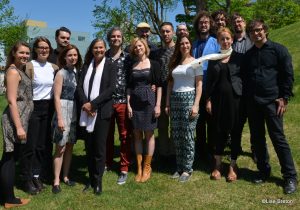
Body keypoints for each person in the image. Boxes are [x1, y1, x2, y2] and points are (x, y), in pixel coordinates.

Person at [243, 19, 297, 194]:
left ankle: (290, 177)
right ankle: (263, 171)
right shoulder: (248, 55)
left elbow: (288, 75)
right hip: (254, 103)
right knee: (258, 139)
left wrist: (284, 97)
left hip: (273, 102)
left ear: (265, 30)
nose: (256, 34)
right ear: (249, 35)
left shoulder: (279, 50)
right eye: (252, 32)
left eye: (259, 30)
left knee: (278, 139)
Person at [77, 38, 116, 195]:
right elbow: (79, 87)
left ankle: (98, 181)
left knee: (99, 149)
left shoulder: (110, 65)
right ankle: (90, 180)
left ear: (105, 49)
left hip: (102, 112)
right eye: (95, 48)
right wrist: (86, 104)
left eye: (101, 48)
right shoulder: (86, 66)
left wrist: (93, 104)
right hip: (86, 111)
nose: (98, 50)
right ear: (91, 49)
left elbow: (111, 89)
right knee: (89, 148)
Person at [20, 37, 58, 194]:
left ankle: (37, 175)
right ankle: (26, 178)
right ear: (35, 49)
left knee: (43, 146)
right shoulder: (29, 66)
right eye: (41, 47)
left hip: (48, 109)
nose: (44, 50)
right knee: (31, 146)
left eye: (47, 48)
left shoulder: (53, 67)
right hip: (33, 108)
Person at [205, 27, 243, 182]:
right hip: (218, 101)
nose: (225, 41)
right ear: (218, 41)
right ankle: (218, 164)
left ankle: (233, 165)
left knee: (235, 132)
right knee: (218, 132)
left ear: (232, 39)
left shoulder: (240, 57)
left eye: (228, 38)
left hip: (236, 101)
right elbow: (209, 82)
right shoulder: (213, 58)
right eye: (222, 39)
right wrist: (207, 100)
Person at [166, 35, 202, 182]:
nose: (184, 45)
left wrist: (196, 104)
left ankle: (187, 169)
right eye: (182, 43)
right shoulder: (174, 62)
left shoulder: (196, 62)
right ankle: (179, 166)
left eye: (187, 43)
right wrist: (167, 103)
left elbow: (199, 85)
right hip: (175, 99)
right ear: (178, 46)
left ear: (190, 45)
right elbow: (169, 84)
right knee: (176, 134)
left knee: (187, 135)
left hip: (189, 98)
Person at [0, 41, 32, 208]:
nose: (25, 56)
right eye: (21, 53)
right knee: (9, 158)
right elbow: (12, 100)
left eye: (27, 53)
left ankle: (4, 194)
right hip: (14, 120)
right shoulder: (13, 71)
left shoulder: (19, 70)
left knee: (10, 157)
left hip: (21, 119)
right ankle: (9, 199)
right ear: (13, 53)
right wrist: (19, 127)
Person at [127, 38, 162, 183]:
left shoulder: (154, 64)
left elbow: (159, 85)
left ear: (145, 47)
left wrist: (158, 104)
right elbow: (128, 87)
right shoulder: (131, 65)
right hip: (135, 102)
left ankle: (147, 167)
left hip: (149, 102)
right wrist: (128, 105)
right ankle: (139, 168)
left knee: (149, 134)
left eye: (140, 46)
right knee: (136, 134)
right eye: (135, 47)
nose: (138, 48)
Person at [51, 44, 82, 194]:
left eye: (75, 55)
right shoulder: (60, 73)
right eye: (70, 55)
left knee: (70, 146)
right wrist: (60, 118)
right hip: (62, 110)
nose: (73, 57)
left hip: (74, 111)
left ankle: (65, 176)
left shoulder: (77, 72)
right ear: (64, 57)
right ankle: (56, 180)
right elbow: (56, 97)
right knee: (60, 148)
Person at [105, 27, 132, 185]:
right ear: (109, 39)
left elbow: (132, 78)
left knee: (124, 136)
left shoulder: (128, 58)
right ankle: (107, 163)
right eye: (113, 36)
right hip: (107, 102)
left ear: (122, 39)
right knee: (106, 136)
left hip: (122, 101)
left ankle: (123, 167)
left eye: (118, 36)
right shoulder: (103, 57)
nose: (116, 38)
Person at [192, 11, 220, 160]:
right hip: (196, 87)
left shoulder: (216, 43)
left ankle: (213, 150)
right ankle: (201, 150)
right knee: (198, 121)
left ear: (210, 25)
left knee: (212, 121)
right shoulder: (193, 44)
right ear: (198, 25)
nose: (203, 25)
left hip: (211, 87)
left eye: (206, 23)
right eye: (201, 23)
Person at [231, 12, 256, 161]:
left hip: (251, 86)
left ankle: (255, 149)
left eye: (240, 21)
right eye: (235, 22)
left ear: (245, 23)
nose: (237, 24)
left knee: (254, 122)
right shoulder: (230, 41)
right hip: (236, 87)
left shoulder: (252, 40)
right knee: (237, 122)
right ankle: (236, 147)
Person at [154, 22, 176, 160]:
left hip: (176, 89)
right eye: (163, 31)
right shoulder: (156, 53)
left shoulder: (179, 50)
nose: (165, 34)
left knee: (174, 124)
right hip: (161, 91)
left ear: (173, 32)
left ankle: (174, 152)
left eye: (168, 31)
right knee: (162, 125)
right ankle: (163, 152)